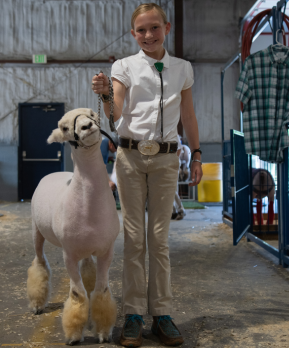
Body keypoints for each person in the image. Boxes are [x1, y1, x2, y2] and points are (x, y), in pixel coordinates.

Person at [92, 3, 202, 347]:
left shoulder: (182, 69)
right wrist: (107, 93)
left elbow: (189, 115)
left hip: (167, 160)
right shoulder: (123, 66)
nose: (148, 35)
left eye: (154, 28)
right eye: (141, 30)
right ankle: (134, 314)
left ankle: (163, 314)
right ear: (133, 33)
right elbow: (117, 112)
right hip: (130, 157)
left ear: (166, 28)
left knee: (159, 239)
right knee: (135, 238)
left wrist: (196, 154)